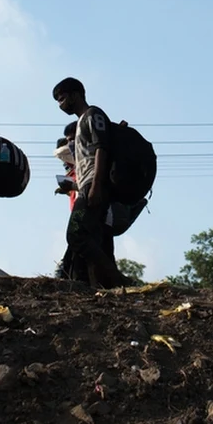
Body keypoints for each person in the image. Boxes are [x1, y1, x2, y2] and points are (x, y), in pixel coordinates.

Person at [52, 77, 128, 288]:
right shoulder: (80, 123)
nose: (61, 105)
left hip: (94, 186)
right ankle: (98, 286)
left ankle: (116, 278)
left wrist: (95, 186)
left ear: (76, 94)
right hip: (86, 185)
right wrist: (75, 186)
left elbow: (101, 149)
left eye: (62, 98)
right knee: (94, 238)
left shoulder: (93, 115)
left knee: (76, 234)